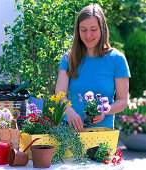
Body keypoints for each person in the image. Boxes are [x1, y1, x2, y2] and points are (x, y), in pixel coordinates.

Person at [55, 4, 131, 132]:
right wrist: (69, 111)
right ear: (77, 31)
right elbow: (59, 93)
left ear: (102, 29)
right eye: (83, 30)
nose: (88, 35)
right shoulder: (69, 58)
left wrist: (105, 110)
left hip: (102, 133)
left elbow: (122, 100)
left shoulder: (117, 59)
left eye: (93, 29)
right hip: (70, 132)